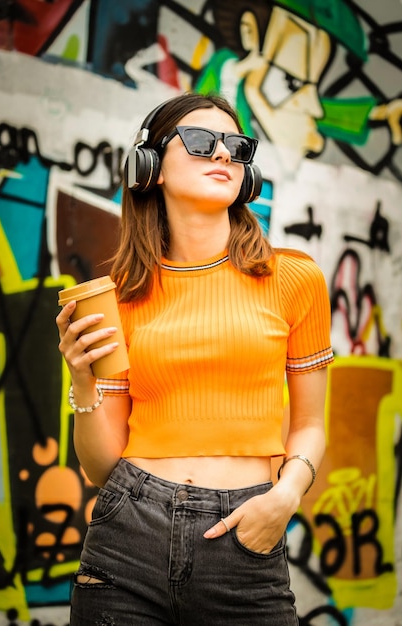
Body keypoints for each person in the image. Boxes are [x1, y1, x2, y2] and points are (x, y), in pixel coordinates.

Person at [56, 91, 334, 625]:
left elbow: (310, 424)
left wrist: (286, 497)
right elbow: (98, 468)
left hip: (245, 537)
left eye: (236, 145)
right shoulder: (122, 295)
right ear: (150, 167)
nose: (224, 154)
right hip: (126, 536)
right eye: (203, 142)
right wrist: (83, 381)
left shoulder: (296, 279)